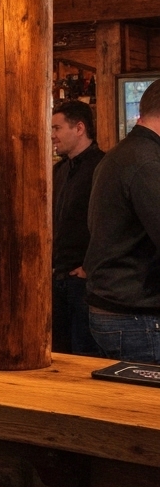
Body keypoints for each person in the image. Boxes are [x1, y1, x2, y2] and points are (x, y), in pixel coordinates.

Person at [84, 79, 160, 363]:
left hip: (117, 306)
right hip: (135, 314)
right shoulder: (146, 161)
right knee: (147, 406)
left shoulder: (122, 154)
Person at [51, 100, 105, 355]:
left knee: (84, 356)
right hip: (56, 276)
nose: (52, 135)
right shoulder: (59, 170)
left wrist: (90, 266)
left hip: (84, 281)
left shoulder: (102, 168)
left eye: (57, 128)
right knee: (58, 354)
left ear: (79, 128)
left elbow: (109, 224)